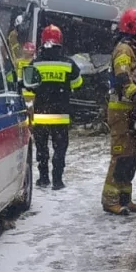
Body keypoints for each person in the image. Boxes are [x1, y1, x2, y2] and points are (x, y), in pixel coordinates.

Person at [102, 8, 136, 216]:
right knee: (121, 155)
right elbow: (123, 79)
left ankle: (125, 198)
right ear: (132, 26)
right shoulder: (124, 49)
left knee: (131, 156)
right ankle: (110, 200)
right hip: (122, 110)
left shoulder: (135, 49)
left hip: (132, 109)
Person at [25, 25, 82, 190]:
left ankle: (43, 178)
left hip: (41, 112)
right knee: (60, 146)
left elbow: (29, 85)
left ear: (42, 42)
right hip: (60, 113)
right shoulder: (68, 64)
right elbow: (77, 83)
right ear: (60, 41)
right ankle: (57, 180)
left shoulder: (35, 63)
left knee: (41, 147)